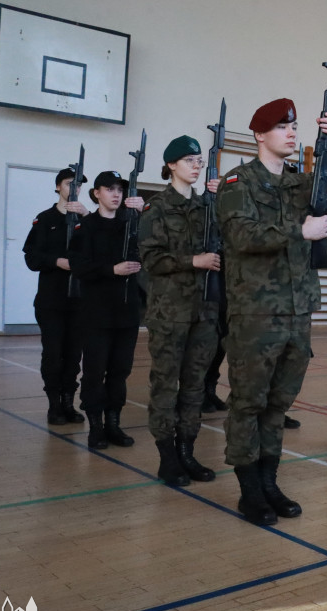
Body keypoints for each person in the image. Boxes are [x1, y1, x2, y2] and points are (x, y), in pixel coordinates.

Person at [216, 98, 327, 526]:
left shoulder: (301, 183)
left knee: (279, 404)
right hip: (256, 313)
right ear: (260, 135)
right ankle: (249, 490)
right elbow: (242, 235)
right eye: (282, 127)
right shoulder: (237, 182)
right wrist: (299, 230)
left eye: (294, 127)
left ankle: (269, 480)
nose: (291, 133)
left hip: (299, 312)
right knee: (249, 402)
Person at [138, 135, 222, 486]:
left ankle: (188, 451)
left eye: (199, 160)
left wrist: (223, 199)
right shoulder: (156, 208)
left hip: (204, 311)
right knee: (165, 385)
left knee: (194, 387)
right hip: (169, 311)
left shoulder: (209, 206)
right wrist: (194, 261)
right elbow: (151, 260)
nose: (197, 165)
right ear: (171, 165)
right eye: (190, 160)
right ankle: (167, 457)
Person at [68, 171, 145, 449]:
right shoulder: (85, 227)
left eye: (120, 190)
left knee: (120, 370)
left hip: (127, 311)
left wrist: (144, 214)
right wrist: (111, 269)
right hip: (96, 312)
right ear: (96, 193)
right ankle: (96, 426)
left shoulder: (131, 224)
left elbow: (152, 246)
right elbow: (78, 265)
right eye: (109, 189)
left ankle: (114, 423)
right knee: (94, 371)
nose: (116, 194)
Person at [22, 168, 89, 426]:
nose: (74, 188)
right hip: (51, 300)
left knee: (73, 356)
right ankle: (53, 405)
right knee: (53, 354)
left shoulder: (86, 219)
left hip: (79, 301)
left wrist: (87, 216)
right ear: (58, 187)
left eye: (79, 184)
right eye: (69, 183)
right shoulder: (45, 218)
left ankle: (68, 403)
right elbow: (31, 257)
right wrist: (57, 261)